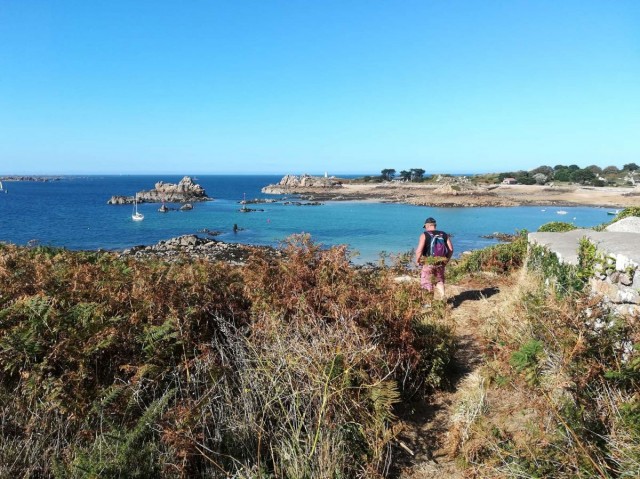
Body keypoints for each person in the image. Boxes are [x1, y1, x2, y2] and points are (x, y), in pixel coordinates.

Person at [415, 217, 453, 301]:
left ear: (427, 225)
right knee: (439, 280)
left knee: (427, 282)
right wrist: (445, 260)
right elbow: (451, 249)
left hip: (428, 262)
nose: (425, 228)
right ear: (435, 225)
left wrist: (418, 261)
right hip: (440, 262)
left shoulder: (424, 235)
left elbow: (419, 251)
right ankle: (443, 296)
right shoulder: (444, 234)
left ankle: (428, 303)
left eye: (425, 227)